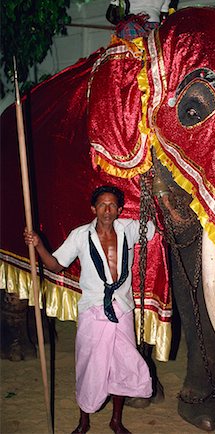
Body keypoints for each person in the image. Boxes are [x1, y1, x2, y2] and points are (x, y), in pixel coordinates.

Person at [24, 185, 154, 434]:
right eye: (102, 205)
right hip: (93, 310)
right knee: (88, 366)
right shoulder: (80, 235)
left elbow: (154, 228)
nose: (108, 210)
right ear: (93, 208)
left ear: (119, 208)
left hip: (123, 309)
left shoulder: (130, 229)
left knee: (121, 365)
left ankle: (116, 420)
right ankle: (84, 421)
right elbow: (55, 265)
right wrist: (38, 245)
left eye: (113, 205)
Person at [106, 0, 171, 40]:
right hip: (133, 25)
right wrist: (123, 23)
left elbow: (164, 18)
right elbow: (111, 15)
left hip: (155, 29)